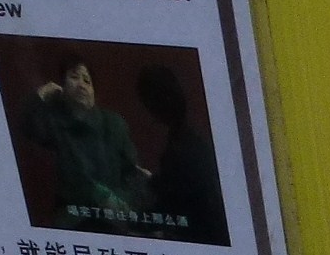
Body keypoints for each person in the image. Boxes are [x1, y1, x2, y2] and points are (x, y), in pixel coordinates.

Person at [19, 57, 149, 231]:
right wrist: (42, 94)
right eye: (74, 77)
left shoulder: (113, 123)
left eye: (87, 81)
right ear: (62, 87)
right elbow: (27, 127)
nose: (82, 85)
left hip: (115, 216)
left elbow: (131, 172)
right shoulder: (54, 122)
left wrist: (118, 202)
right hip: (74, 219)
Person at [135, 61, 225, 243]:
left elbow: (176, 203)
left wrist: (134, 222)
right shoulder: (190, 137)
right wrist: (154, 181)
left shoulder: (179, 149)